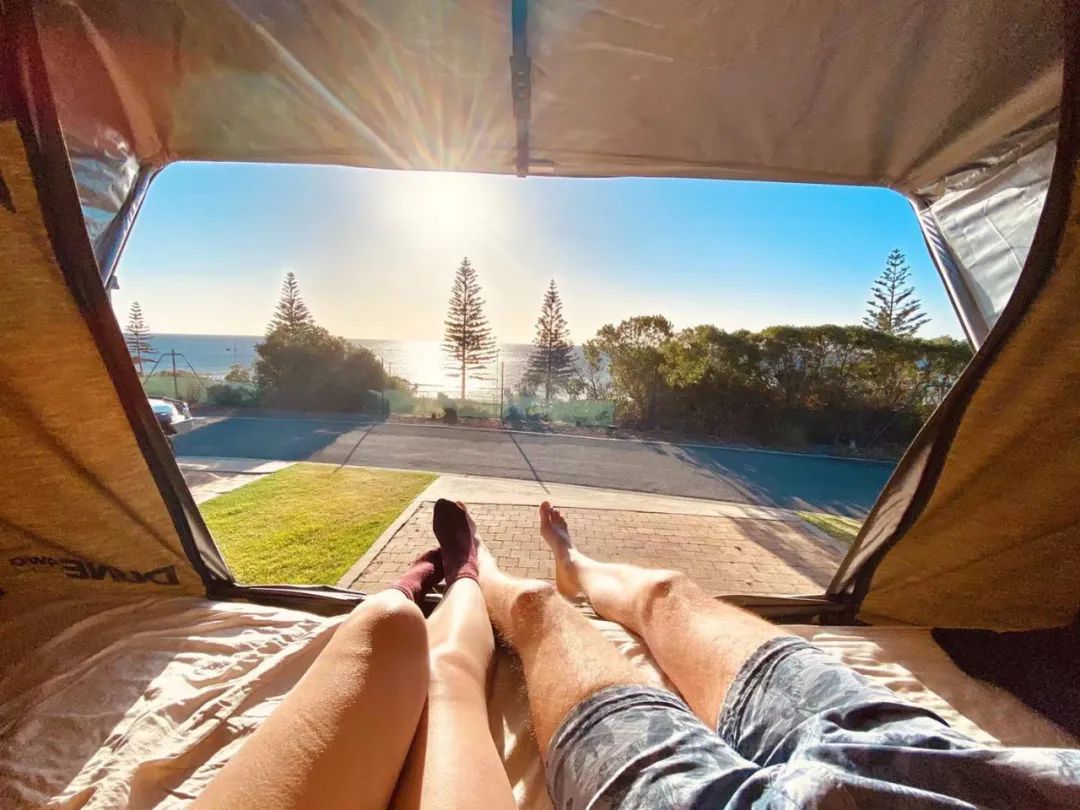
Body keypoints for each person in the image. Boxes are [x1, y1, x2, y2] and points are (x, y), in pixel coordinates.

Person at [464, 499, 1080, 809]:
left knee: (538, 610)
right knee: (666, 591)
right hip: (953, 771)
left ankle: (478, 567)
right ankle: (576, 564)